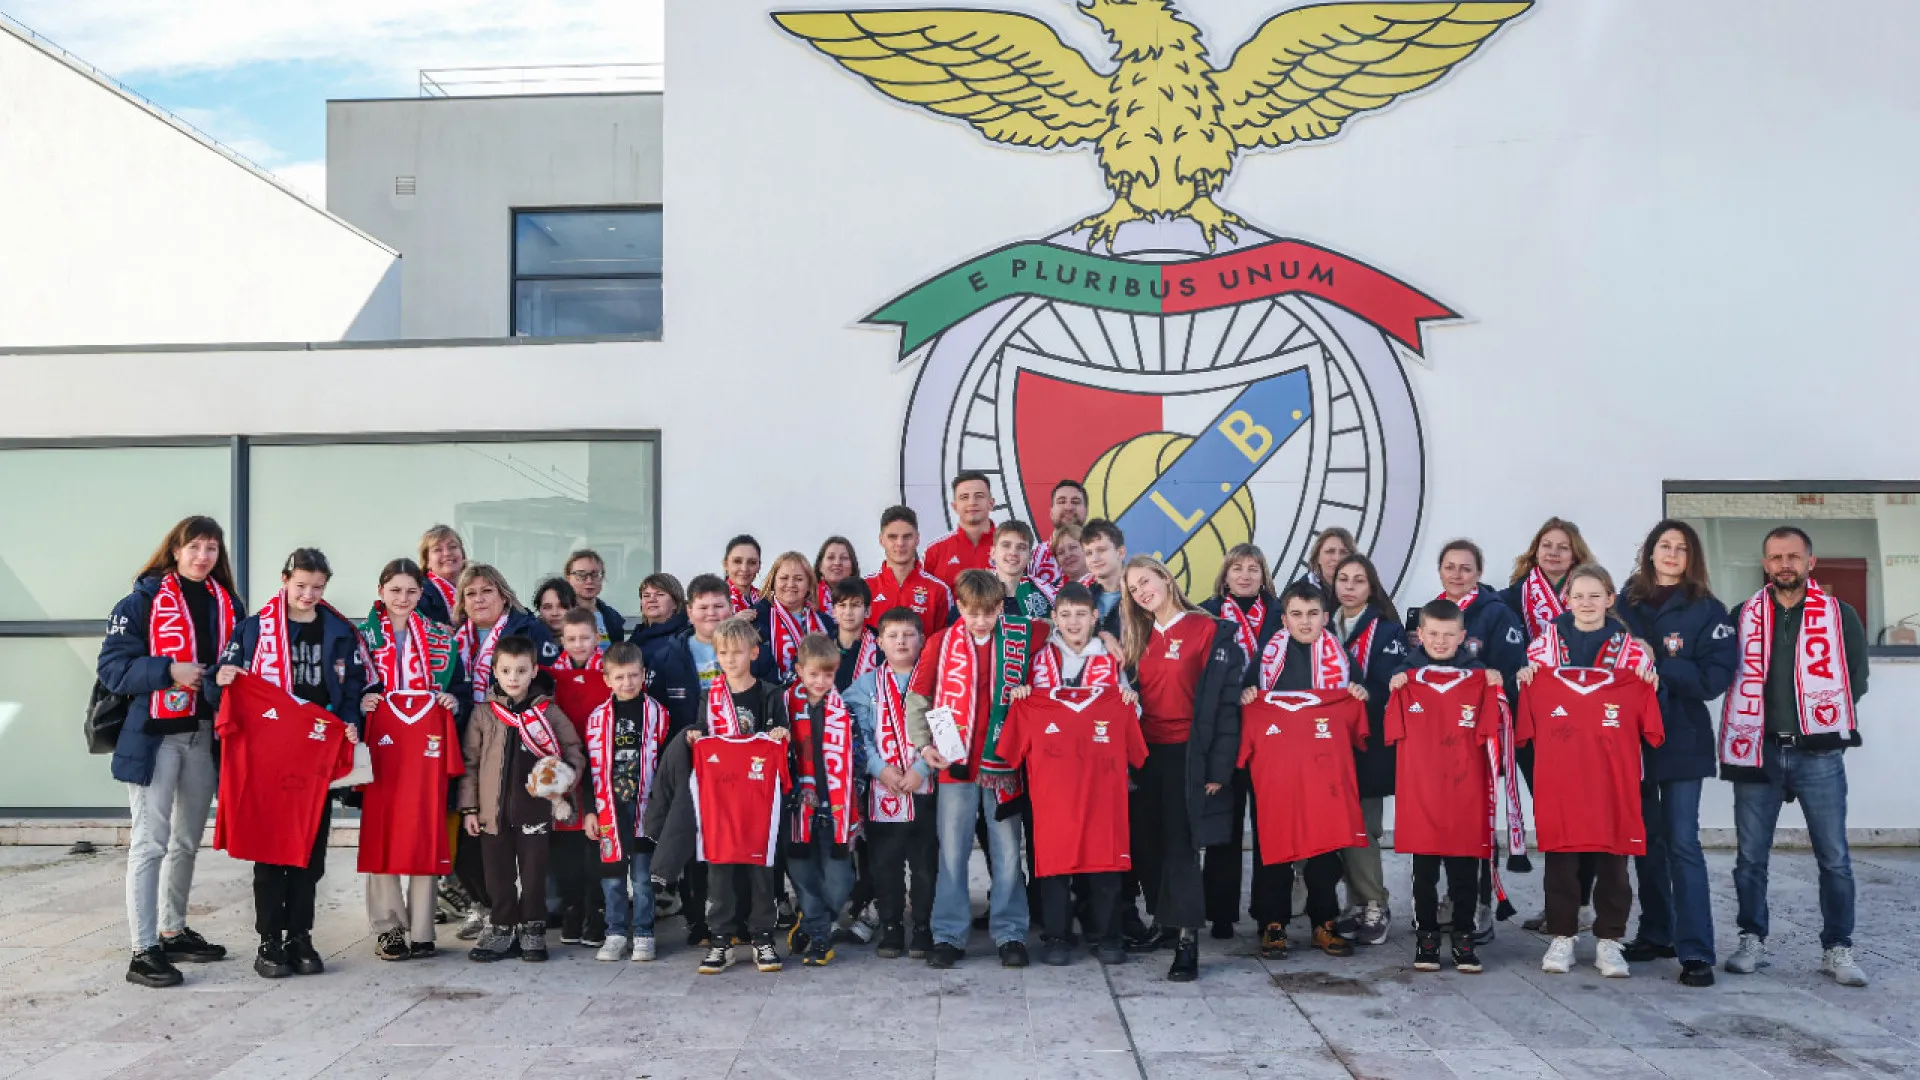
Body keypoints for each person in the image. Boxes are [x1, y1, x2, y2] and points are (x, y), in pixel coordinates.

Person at [1718, 527, 1870, 987]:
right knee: (1750, 859)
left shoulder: (1838, 614)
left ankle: (1837, 948)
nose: (1785, 564)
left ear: (1810, 561)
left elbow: (1856, 677)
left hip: (1818, 754)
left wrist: (1818, 720)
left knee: (1834, 858)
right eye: (1776, 557)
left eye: (1793, 556)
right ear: (1765, 564)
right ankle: (1752, 940)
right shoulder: (1742, 614)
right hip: (1757, 750)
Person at [209, 548, 368, 980]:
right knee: (269, 851)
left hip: (315, 753)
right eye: (301, 585)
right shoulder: (255, 629)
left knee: (308, 852)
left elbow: (353, 688)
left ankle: (300, 935)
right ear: (284, 580)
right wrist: (220, 678)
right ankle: (268, 940)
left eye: (317, 587)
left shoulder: (338, 630)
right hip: (268, 755)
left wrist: (351, 722)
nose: (308, 594)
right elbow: (223, 685)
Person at [101, 516, 242, 988]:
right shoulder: (140, 602)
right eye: (195, 547)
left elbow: (241, 663)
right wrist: (169, 671)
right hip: (156, 736)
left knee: (186, 840)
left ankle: (173, 929)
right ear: (176, 550)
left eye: (212, 549)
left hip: (203, 734)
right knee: (150, 842)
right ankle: (143, 950)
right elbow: (114, 670)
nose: (203, 557)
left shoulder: (228, 604)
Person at [1514, 569, 1664, 979]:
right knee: (1561, 859)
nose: (1585, 602)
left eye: (1594, 595)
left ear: (1609, 599)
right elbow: (1528, 711)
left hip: (1612, 778)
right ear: (1567, 599)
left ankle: (1610, 940)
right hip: (1561, 776)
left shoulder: (1630, 652)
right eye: (1578, 595)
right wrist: (1526, 679)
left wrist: (1649, 681)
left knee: (1614, 862)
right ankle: (1562, 936)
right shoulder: (1544, 648)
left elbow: (1650, 720)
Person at [906, 568, 1051, 969]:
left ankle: (1011, 933)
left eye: (989, 613)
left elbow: (1063, 631)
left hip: (1004, 765)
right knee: (952, 854)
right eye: (972, 613)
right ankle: (949, 935)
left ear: (1001, 608)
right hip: (956, 767)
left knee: (1006, 853)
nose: (981, 621)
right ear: (959, 607)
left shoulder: (1022, 635)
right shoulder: (941, 642)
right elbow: (918, 696)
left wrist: (1105, 638)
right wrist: (922, 746)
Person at [1614, 520, 1735, 987]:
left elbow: (1713, 679)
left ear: (1691, 558)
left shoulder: (1707, 610)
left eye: (1680, 548)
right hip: (1632, 742)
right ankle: (1656, 932)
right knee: (1646, 843)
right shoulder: (1624, 602)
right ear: (1649, 552)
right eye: (1664, 546)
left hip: (1682, 740)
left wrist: (1660, 664)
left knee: (1683, 842)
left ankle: (1696, 950)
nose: (1671, 554)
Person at [1116, 556, 1244, 981]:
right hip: (1147, 753)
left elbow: (1225, 706)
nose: (1141, 592)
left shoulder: (1207, 629)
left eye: (1145, 582)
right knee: (1147, 842)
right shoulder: (1138, 635)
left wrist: (1218, 768)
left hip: (1189, 753)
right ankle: (1165, 923)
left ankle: (1188, 941)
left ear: (1166, 579)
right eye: (1133, 589)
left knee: (1181, 846)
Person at [649, 616, 792, 974]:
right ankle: (721, 940)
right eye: (723, 653)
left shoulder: (770, 693)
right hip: (720, 798)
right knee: (720, 869)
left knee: (761, 869)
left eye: (737, 652)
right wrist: (695, 734)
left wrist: (778, 733)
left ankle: (762, 938)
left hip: (758, 799)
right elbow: (701, 728)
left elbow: (783, 732)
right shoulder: (711, 697)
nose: (730, 659)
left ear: (754, 653)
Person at [1236, 580, 1368, 959]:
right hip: (1275, 770)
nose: (1305, 622)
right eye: (1296, 614)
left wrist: (1360, 693)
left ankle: (1323, 922)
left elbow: (1360, 699)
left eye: (1313, 614)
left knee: (1324, 848)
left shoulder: (1340, 655)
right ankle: (1271, 923)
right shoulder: (1266, 656)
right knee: (1272, 846)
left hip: (1323, 771)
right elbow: (1245, 699)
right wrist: (1246, 695)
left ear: (1326, 617)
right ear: (1284, 618)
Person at [1384, 598, 1506, 974]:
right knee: (1424, 871)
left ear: (1462, 637)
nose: (1440, 641)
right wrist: (1395, 686)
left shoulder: (1480, 678)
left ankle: (1464, 937)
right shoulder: (1405, 679)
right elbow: (1390, 732)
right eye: (1433, 634)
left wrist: (1495, 687)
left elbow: (1494, 736)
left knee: (1465, 872)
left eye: (1448, 635)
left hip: (1465, 795)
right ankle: (1427, 936)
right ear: (1419, 635)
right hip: (1422, 796)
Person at [355, 558, 467, 962]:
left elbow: (460, 685)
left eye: (411, 591)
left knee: (424, 827)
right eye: (395, 590)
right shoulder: (361, 636)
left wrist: (454, 700)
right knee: (383, 831)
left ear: (422, 594)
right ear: (381, 591)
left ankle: (422, 928)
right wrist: (360, 700)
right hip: (383, 744)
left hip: (424, 743)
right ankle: (388, 927)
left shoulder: (440, 636)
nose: (403, 598)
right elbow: (349, 684)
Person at [999, 675, 1147, 967]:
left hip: (1103, 807)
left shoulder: (1118, 704)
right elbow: (1009, 754)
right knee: (1053, 873)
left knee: (1107, 869)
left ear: (1094, 624)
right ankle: (1057, 936)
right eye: (1065, 622)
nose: (1073, 624)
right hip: (1053, 809)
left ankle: (1108, 936)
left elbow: (1139, 756)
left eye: (1080, 622)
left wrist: (1129, 699)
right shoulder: (1030, 706)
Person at [458, 635, 586, 963]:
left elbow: (573, 748)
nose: (513, 678)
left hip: (535, 811)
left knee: (533, 874)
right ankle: (501, 928)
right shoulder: (485, 714)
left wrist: (566, 774)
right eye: (506, 670)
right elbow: (469, 764)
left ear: (533, 672)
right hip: (492, 812)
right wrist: (470, 808)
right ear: (495, 673)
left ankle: (532, 930)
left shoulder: (547, 711)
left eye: (520, 670)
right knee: (497, 875)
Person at [1424, 538, 1527, 943]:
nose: (1457, 575)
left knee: (1477, 819)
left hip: (1480, 736)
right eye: (1450, 567)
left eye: (1465, 568)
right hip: (1439, 740)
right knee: (1444, 819)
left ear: (1479, 573)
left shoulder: (1497, 615)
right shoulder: (1432, 613)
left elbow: (1508, 678)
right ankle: (1453, 895)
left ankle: (1481, 900)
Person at [1199, 544, 1281, 941]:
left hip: (1270, 737)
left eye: (1253, 568)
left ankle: (1269, 914)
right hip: (1223, 735)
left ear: (1264, 575)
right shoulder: (1206, 613)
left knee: (1268, 827)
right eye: (1237, 568)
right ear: (1225, 574)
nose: (1245, 575)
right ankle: (1220, 913)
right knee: (1223, 828)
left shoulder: (1284, 614)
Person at [846, 607, 937, 959]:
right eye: (893, 635)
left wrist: (921, 769)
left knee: (925, 863)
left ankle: (924, 926)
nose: (901, 641)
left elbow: (945, 726)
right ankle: (891, 927)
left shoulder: (934, 680)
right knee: (886, 863)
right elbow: (856, 734)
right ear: (879, 641)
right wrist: (878, 767)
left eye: (909, 634)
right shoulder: (865, 686)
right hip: (883, 789)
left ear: (921, 640)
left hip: (924, 787)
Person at [1329, 553, 1407, 947]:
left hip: (1367, 743)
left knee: (1364, 827)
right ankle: (1353, 904)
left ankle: (1375, 903)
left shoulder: (1388, 631)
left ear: (1371, 586)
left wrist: (1364, 694)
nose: (1349, 586)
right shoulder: (1321, 623)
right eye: (1343, 578)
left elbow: (1389, 684)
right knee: (1334, 828)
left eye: (1358, 580)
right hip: (1325, 744)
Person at [582, 642, 671, 962]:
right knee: (613, 876)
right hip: (609, 809)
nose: (627, 683)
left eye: (633, 676)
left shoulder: (659, 715)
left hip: (645, 809)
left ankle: (645, 933)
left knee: (643, 877)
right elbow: (588, 769)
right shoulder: (596, 719)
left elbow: (666, 763)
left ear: (643, 674)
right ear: (606, 679)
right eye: (619, 677)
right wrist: (590, 810)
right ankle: (616, 931)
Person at [782, 634, 864, 966]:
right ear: (800, 671)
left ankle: (810, 921)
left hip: (836, 807)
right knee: (804, 877)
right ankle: (819, 938)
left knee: (840, 879)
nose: (820, 681)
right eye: (814, 674)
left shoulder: (842, 709)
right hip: (796, 808)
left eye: (828, 675)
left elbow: (853, 760)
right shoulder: (783, 703)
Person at [549, 608, 614, 948]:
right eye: (571, 639)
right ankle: (572, 910)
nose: (578, 645)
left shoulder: (608, 672)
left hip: (597, 766)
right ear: (562, 640)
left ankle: (596, 912)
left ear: (597, 638)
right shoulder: (550, 675)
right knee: (565, 849)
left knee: (594, 847)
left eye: (585, 638)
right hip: (562, 769)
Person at [455, 564, 560, 704]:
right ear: (463, 603)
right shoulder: (454, 640)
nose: (478, 599)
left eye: (486, 591)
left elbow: (549, 683)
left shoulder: (531, 630)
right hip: (469, 722)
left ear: (504, 596)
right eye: (470, 593)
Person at [1500, 517, 1595, 643]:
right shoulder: (1508, 600)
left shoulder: (1594, 599)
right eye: (1546, 545)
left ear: (1575, 556)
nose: (1553, 552)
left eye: (1563, 548)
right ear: (1536, 552)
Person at [864, 505, 954, 639]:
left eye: (907, 536)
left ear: (917, 539)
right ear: (881, 540)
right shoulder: (864, 587)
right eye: (892, 537)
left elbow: (945, 644)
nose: (900, 543)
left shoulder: (939, 590)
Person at [753, 551, 831, 681]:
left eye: (799, 579)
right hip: (771, 697)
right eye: (784, 578)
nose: (790, 584)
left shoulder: (826, 623)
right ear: (773, 582)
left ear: (808, 585)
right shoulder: (756, 620)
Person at [923, 471, 998, 589]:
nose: (972, 502)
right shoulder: (934, 550)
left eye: (979, 496)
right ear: (955, 506)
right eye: (964, 497)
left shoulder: (1012, 546)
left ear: (991, 503)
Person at [991, 520, 1054, 620]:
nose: (1013, 552)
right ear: (993, 552)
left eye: (1021, 547)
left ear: (1030, 556)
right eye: (1006, 545)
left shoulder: (1047, 592)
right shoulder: (977, 591)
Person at [565, 549, 627, 647]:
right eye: (581, 575)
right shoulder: (560, 615)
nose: (589, 581)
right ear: (568, 578)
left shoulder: (612, 618)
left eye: (595, 574)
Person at [829, 577, 880, 691]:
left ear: (867, 611)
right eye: (842, 605)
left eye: (855, 605)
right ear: (834, 611)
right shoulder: (820, 647)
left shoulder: (881, 648)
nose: (848, 612)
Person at [1080, 519, 1128, 636]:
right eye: (1089, 553)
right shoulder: (1082, 596)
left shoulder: (1141, 595)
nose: (1095, 559)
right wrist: (1102, 638)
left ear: (1120, 552)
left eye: (1101, 550)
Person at [416, 524, 467, 627]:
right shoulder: (418, 594)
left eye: (453, 547)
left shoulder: (479, 587)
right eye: (438, 549)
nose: (447, 553)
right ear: (427, 561)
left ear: (462, 554)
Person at [1298, 527, 1355, 602]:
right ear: (1317, 557)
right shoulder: (1299, 593)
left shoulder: (1364, 592)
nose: (1337, 558)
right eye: (1330, 551)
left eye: (1343, 552)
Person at [813, 536, 861, 612]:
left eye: (844, 558)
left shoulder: (863, 598)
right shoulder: (809, 598)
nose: (837, 563)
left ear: (852, 566)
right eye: (831, 557)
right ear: (820, 566)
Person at [723, 535, 763, 613]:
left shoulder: (766, 601)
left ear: (759, 566)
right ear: (725, 564)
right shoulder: (714, 601)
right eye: (737, 561)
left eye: (752, 562)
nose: (744, 569)